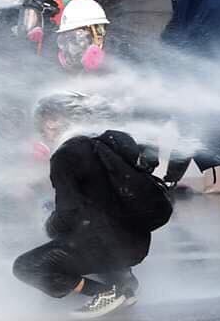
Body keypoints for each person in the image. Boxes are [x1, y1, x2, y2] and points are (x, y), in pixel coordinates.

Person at [13, 129, 170, 318]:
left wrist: (49, 227)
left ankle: (105, 293)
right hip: (136, 245)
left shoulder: (64, 156)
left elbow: (68, 213)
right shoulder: (109, 147)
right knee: (85, 234)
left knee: (26, 266)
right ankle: (123, 283)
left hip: (104, 245)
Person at [55, 0, 110, 74]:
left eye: (75, 39)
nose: (70, 48)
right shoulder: (57, 73)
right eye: (67, 39)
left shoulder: (116, 66)